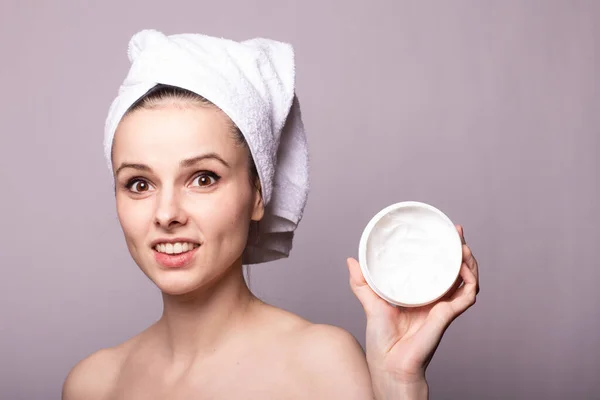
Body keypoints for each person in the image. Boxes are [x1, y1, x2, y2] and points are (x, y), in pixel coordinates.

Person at [62, 30, 479, 400]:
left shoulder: (323, 367)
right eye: (139, 184)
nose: (166, 213)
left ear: (259, 193)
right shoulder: (93, 384)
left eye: (203, 178)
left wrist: (398, 385)